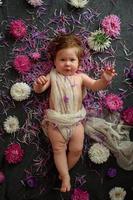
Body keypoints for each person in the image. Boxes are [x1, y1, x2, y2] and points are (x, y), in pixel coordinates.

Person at [33, 34, 116, 192]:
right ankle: (65, 176)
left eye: (72, 60)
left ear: (79, 62)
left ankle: (64, 171)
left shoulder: (81, 78)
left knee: (77, 150)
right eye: (62, 60)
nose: (67, 64)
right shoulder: (52, 76)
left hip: (77, 121)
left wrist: (105, 79)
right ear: (55, 62)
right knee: (58, 149)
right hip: (56, 122)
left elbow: (95, 85)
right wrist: (38, 84)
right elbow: (40, 90)